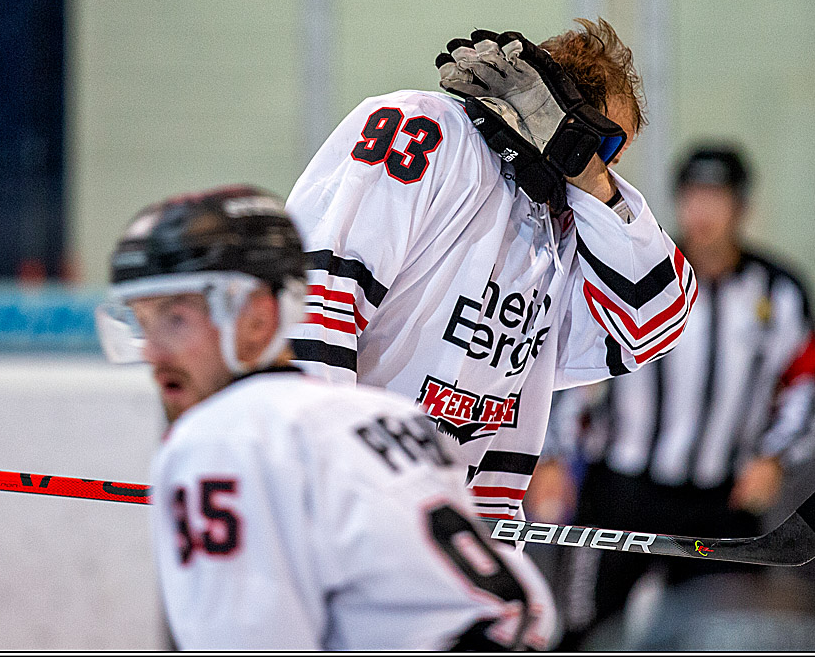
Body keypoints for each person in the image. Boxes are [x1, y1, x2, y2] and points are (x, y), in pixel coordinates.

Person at [95, 185, 557, 650]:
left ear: (256, 317)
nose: (152, 354)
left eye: (174, 320)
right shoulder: (392, 416)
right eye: (141, 323)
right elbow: (523, 608)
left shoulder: (223, 439)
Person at [284, 19, 697, 520]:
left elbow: (652, 326)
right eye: (607, 149)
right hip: (349, 503)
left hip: (462, 531)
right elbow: (317, 290)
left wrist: (584, 169)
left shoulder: (565, 227)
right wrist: (318, 466)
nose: (604, 173)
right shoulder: (422, 129)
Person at [529, 144, 815, 647]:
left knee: (720, 635)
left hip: (720, 502)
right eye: (693, 197)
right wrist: (556, 457)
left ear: (742, 208)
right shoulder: (641, 277)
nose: (703, 212)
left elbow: (810, 384)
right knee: (581, 632)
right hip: (621, 493)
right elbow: (571, 371)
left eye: (716, 199)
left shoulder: (779, 292)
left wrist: (775, 458)